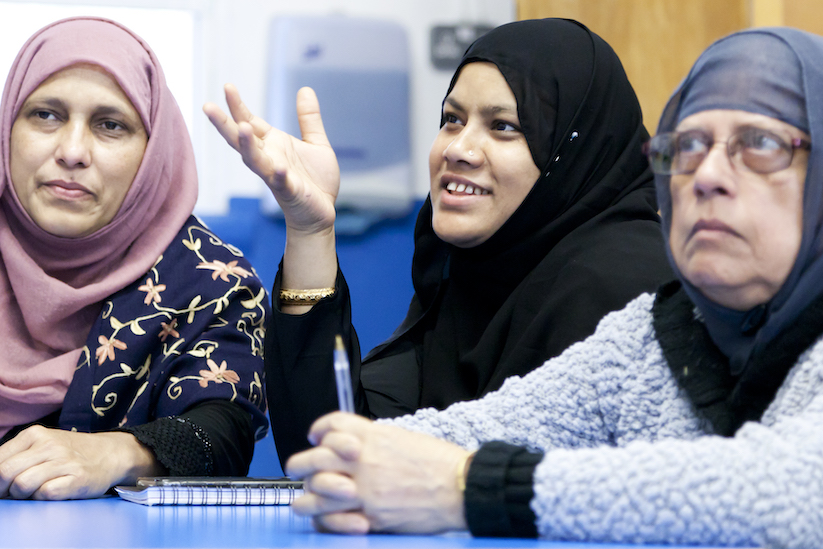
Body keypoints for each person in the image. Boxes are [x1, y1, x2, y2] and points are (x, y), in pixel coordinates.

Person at [283, 26, 823, 548]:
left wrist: (469, 487)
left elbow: (794, 490)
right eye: (687, 147)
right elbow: (480, 433)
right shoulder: (655, 335)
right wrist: (352, 461)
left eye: (760, 145)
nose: (706, 175)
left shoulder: (616, 278)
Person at [205, 18, 673, 466]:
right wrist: (310, 229)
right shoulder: (471, 277)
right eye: (452, 119)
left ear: (572, 153)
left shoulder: (621, 287)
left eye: (503, 126)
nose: (457, 148)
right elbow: (332, 447)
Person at [0, 17, 269, 500]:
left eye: (110, 125)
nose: (72, 151)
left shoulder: (210, 281)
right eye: (46, 115)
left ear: (152, 152)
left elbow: (224, 432)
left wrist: (117, 454)